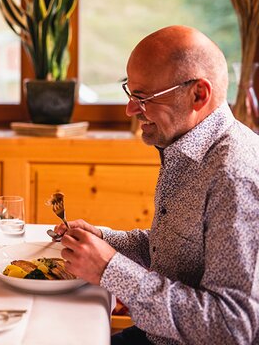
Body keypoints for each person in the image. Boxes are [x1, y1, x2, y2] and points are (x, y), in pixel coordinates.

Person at [54, 26, 259, 344]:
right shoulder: (186, 146)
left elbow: (231, 328)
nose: (130, 110)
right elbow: (183, 251)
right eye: (130, 93)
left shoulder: (234, 176)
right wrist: (104, 240)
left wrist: (110, 268)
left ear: (198, 95)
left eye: (143, 98)